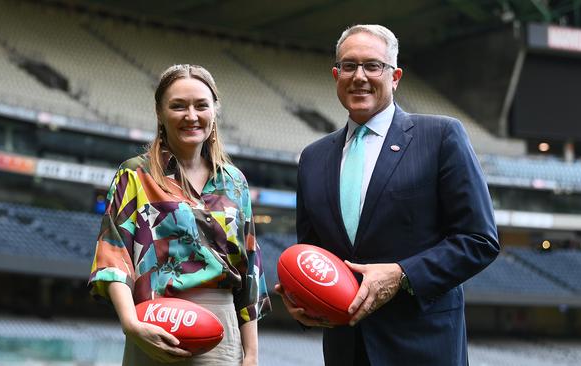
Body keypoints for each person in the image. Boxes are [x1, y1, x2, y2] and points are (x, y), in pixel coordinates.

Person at [275, 24, 499, 365]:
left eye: (372, 66)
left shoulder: (440, 137)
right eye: (349, 66)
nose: (359, 76)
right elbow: (314, 254)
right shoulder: (313, 158)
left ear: (394, 76)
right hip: (345, 349)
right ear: (336, 75)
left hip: (423, 347)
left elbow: (479, 239)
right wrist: (301, 298)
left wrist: (402, 274)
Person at [89, 64, 271, 365]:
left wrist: (251, 354)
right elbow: (113, 256)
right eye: (178, 106)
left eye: (201, 105)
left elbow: (250, 268)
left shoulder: (235, 182)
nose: (191, 116)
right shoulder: (135, 174)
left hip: (221, 332)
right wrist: (131, 323)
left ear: (215, 111)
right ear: (160, 113)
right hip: (153, 325)